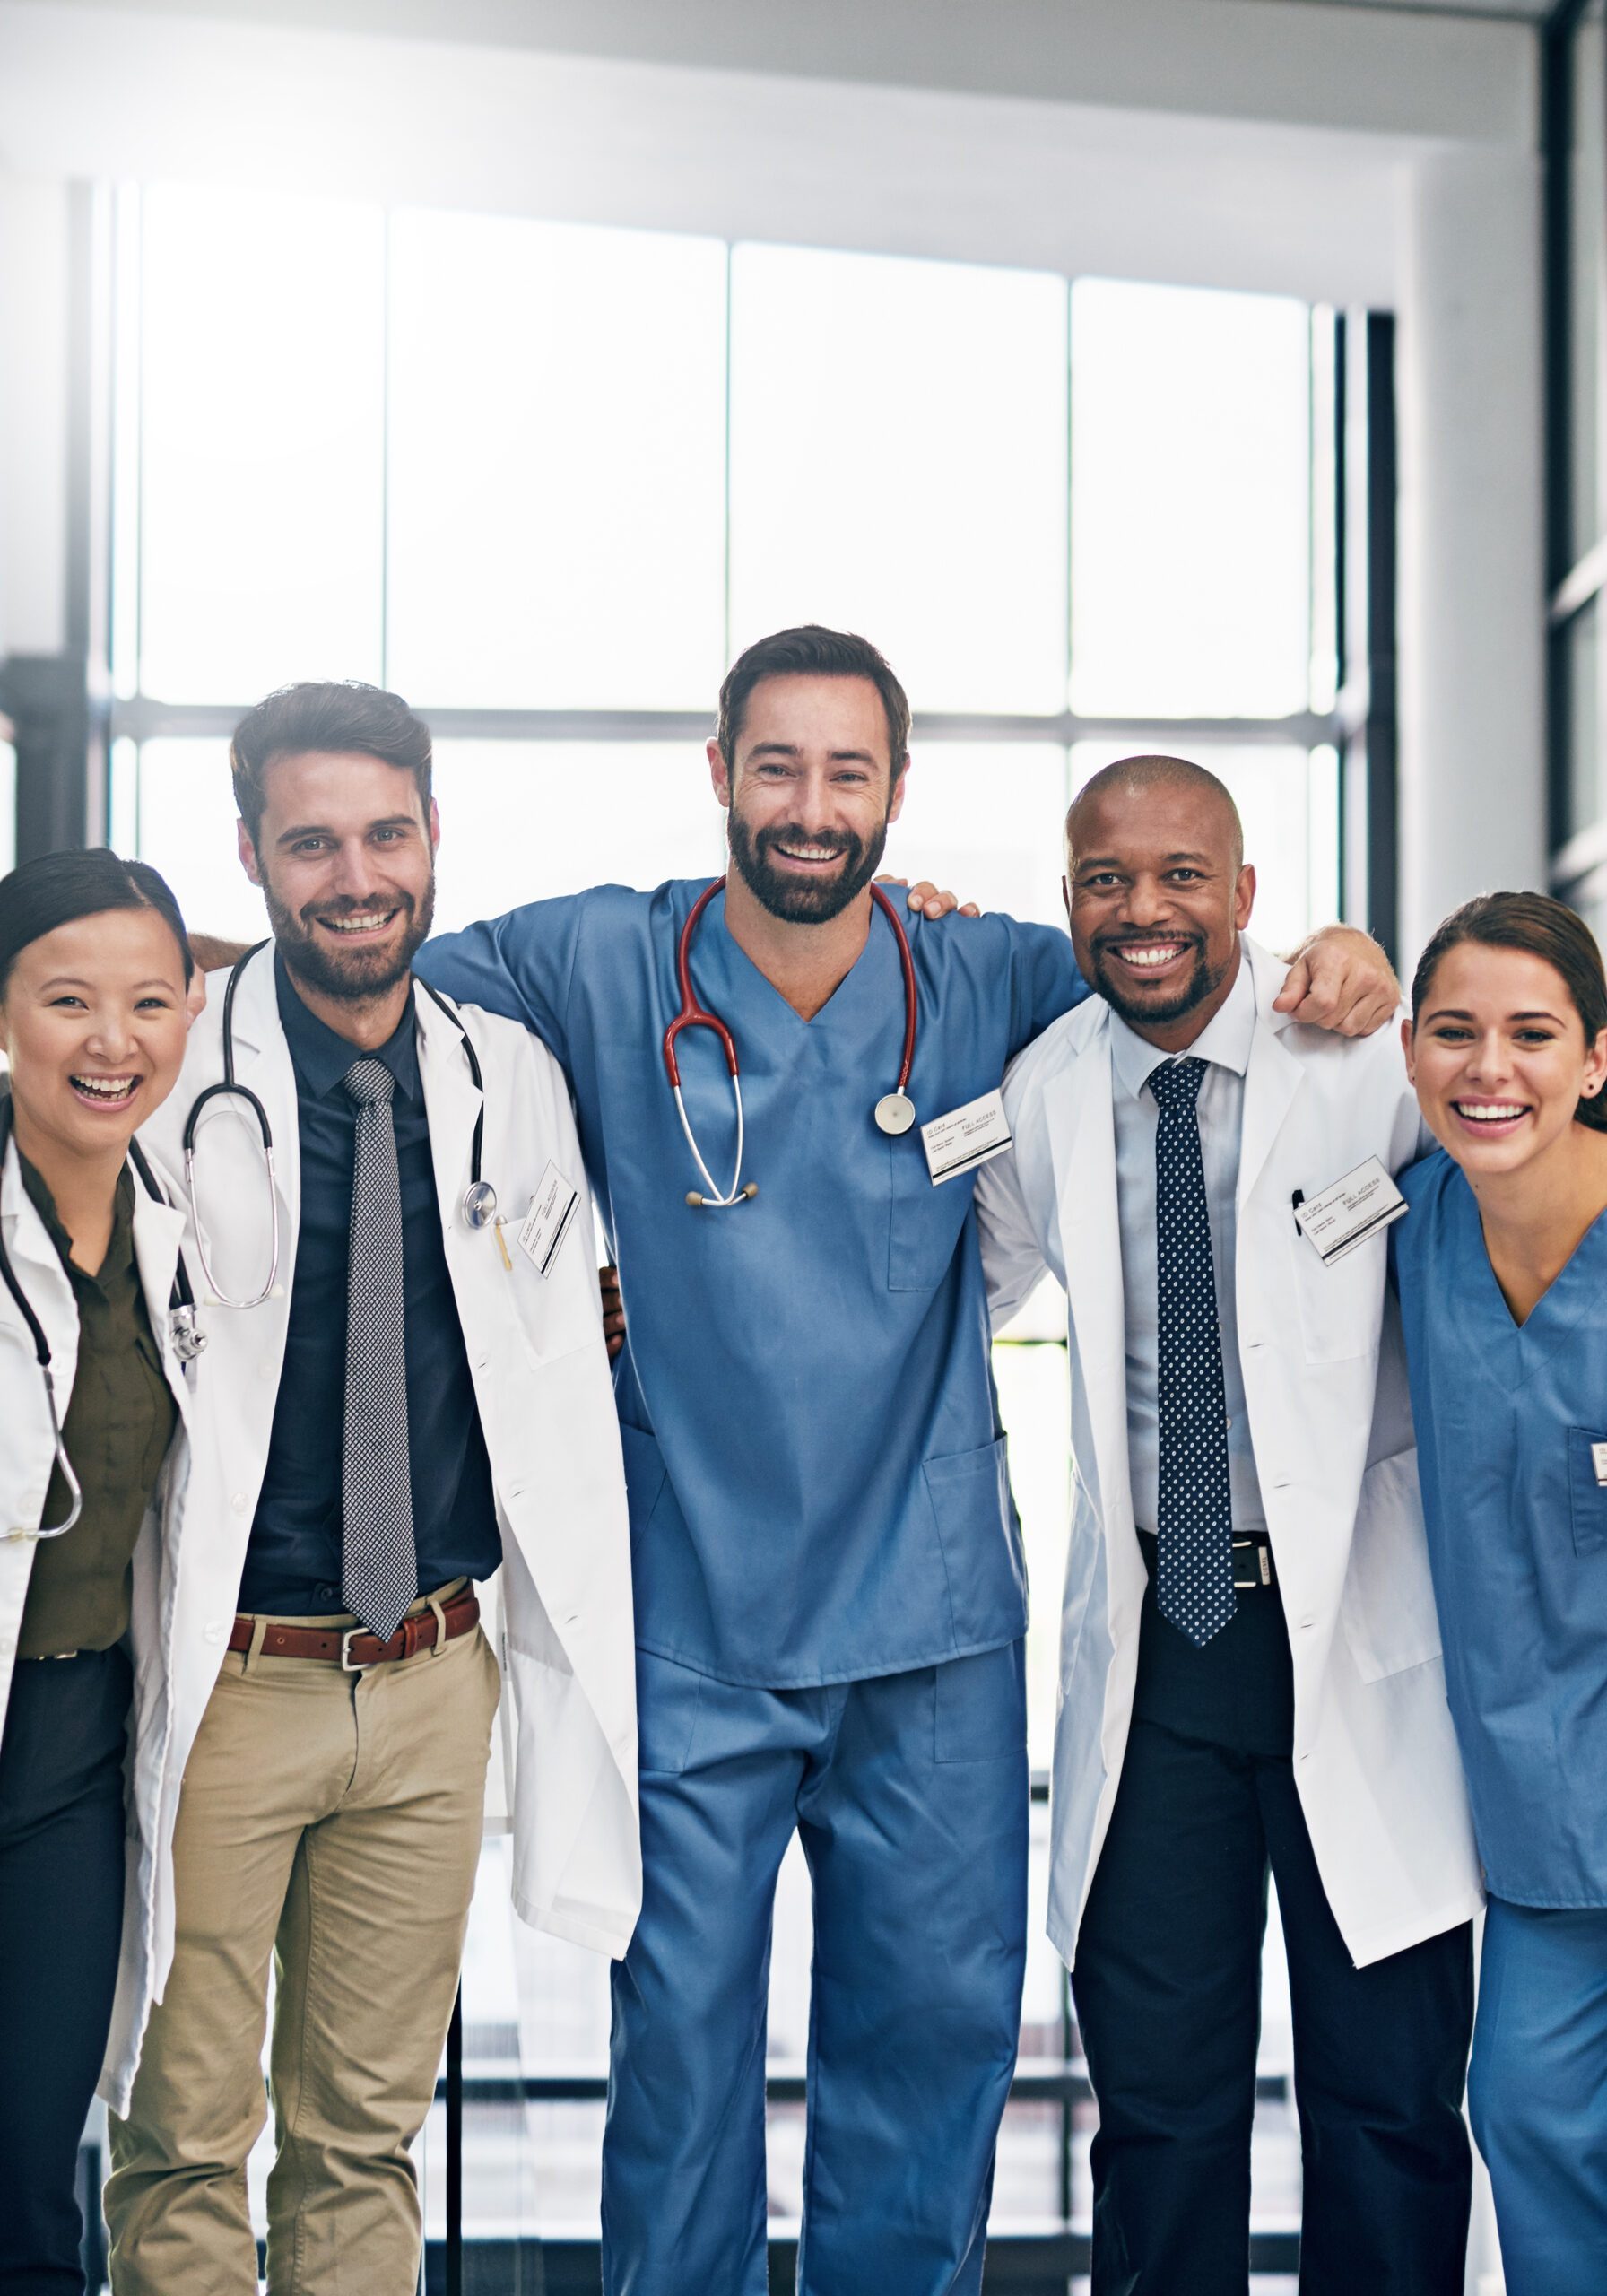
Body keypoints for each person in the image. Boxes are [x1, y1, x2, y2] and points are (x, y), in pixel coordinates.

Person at [413, 627, 1399, 2294]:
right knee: (681, 2073)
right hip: (693, 1619)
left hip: (930, 1630)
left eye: (846, 771)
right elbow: (356, 971)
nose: (811, 806)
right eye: (777, 766)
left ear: (895, 791)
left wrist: (1349, 957)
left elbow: (1185, 953)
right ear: (720, 774)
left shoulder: (994, 976)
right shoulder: (595, 961)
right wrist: (128, 987)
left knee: (931, 2063)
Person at [102, 682, 638, 2296]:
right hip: (233, 1684)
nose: (356, 876)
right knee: (185, 2136)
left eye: (385, 834)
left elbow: (562, 1344)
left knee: (364, 2138)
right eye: (313, 840)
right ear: (251, 854)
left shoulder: (510, 1074)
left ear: (431, 837)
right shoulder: (174, 1068)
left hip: (431, 1680)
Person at [975, 755, 1481, 2295]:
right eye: (1109, 881)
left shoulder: (1369, 1062)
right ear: (1069, 904)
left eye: (1183, 875)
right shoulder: (1041, 1094)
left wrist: (1378, 961)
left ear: (1246, 896)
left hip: (1355, 1641)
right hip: (1160, 1649)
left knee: (1389, 2104)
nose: (1147, 912)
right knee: (1160, 2110)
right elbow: (953, 1297)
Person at [1395, 891, 1607, 2296]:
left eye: (1533, 1035)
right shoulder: (1407, 1229)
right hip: (1545, 1811)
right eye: (1457, 1033)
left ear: (1595, 1060)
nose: (1491, 1070)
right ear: (1410, 1051)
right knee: (1524, 2107)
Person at [0, 849, 200, 2294]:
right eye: (69, 1000)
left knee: (31, 2174)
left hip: (68, 1756)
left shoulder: (183, 1221)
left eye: (149, 1003)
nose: (113, 1040)